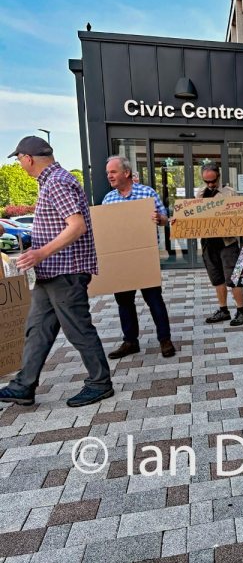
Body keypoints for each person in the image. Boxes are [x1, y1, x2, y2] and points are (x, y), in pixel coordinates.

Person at [0, 136, 114, 407]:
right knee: (37, 329)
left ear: (28, 158)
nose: (19, 165)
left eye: (19, 160)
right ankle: (23, 385)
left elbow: (76, 226)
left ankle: (100, 383)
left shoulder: (57, 182)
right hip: (50, 273)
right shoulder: (53, 181)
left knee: (78, 328)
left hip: (65, 272)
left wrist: (40, 252)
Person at [102, 155, 176, 359]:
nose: (109, 176)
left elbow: (165, 220)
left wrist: (158, 218)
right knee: (124, 302)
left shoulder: (147, 192)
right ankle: (130, 342)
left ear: (126, 172)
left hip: (144, 256)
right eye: (108, 173)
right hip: (121, 259)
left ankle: (165, 339)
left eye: (113, 172)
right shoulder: (108, 199)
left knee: (154, 300)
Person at [196, 164, 243, 327]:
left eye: (213, 181)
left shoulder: (230, 193)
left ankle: (241, 311)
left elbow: (240, 214)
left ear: (218, 176)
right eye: (207, 181)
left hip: (227, 243)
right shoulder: (199, 193)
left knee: (233, 277)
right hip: (208, 243)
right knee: (216, 278)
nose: (210, 184)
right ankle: (223, 310)